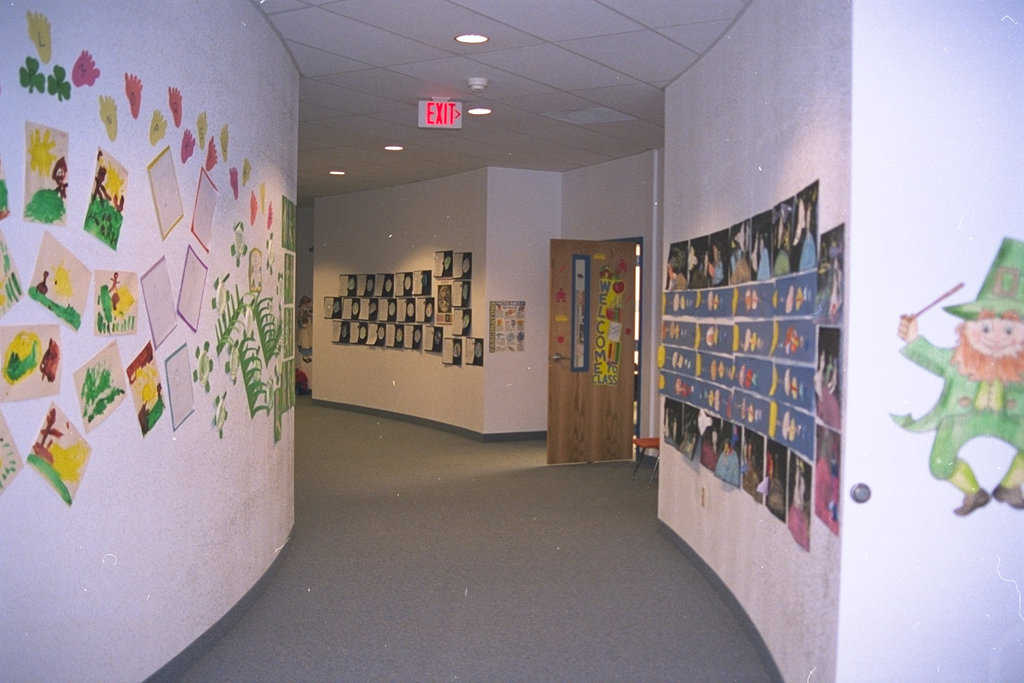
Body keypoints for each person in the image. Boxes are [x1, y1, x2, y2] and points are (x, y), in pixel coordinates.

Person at [893, 238, 1024, 515]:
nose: (998, 339)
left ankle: (1009, 486)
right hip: (960, 417)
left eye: (1009, 331)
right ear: (972, 329)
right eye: (987, 329)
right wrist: (913, 338)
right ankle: (974, 493)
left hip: (1009, 418)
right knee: (940, 463)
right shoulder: (961, 360)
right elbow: (934, 357)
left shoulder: (1018, 368)